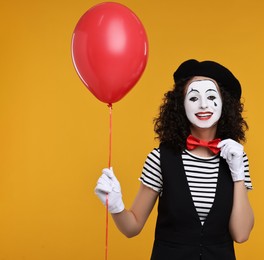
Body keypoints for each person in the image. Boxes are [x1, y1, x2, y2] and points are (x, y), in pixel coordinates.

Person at [95, 59, 254, 260]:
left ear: (224, 105)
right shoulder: (159, 159)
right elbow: (132, 227)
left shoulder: (236, 159)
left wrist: (238, 174)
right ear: (181, 105)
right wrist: (116, 206)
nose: (203, 104)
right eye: (194, 98)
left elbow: (241, 234)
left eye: (211, 96)